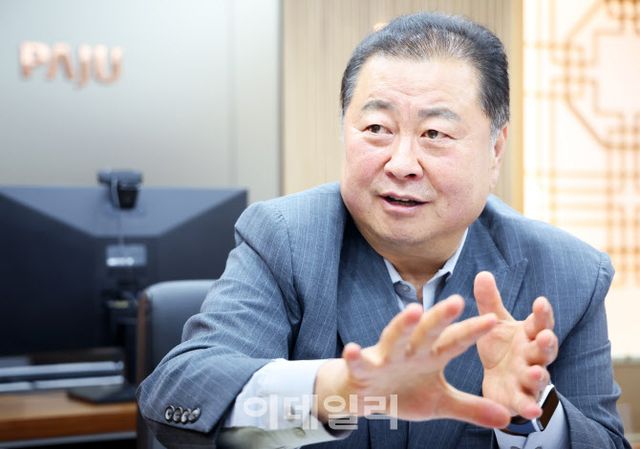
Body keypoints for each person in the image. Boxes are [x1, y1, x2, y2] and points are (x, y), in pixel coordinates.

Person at [137, 12, 631, 449]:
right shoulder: (286, 239)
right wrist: (340, 390)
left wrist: (532, 410)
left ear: (495, 149)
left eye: (435, 134)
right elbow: (181, 393)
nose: (401, 163)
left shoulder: (569, 272)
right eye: (377, 129)